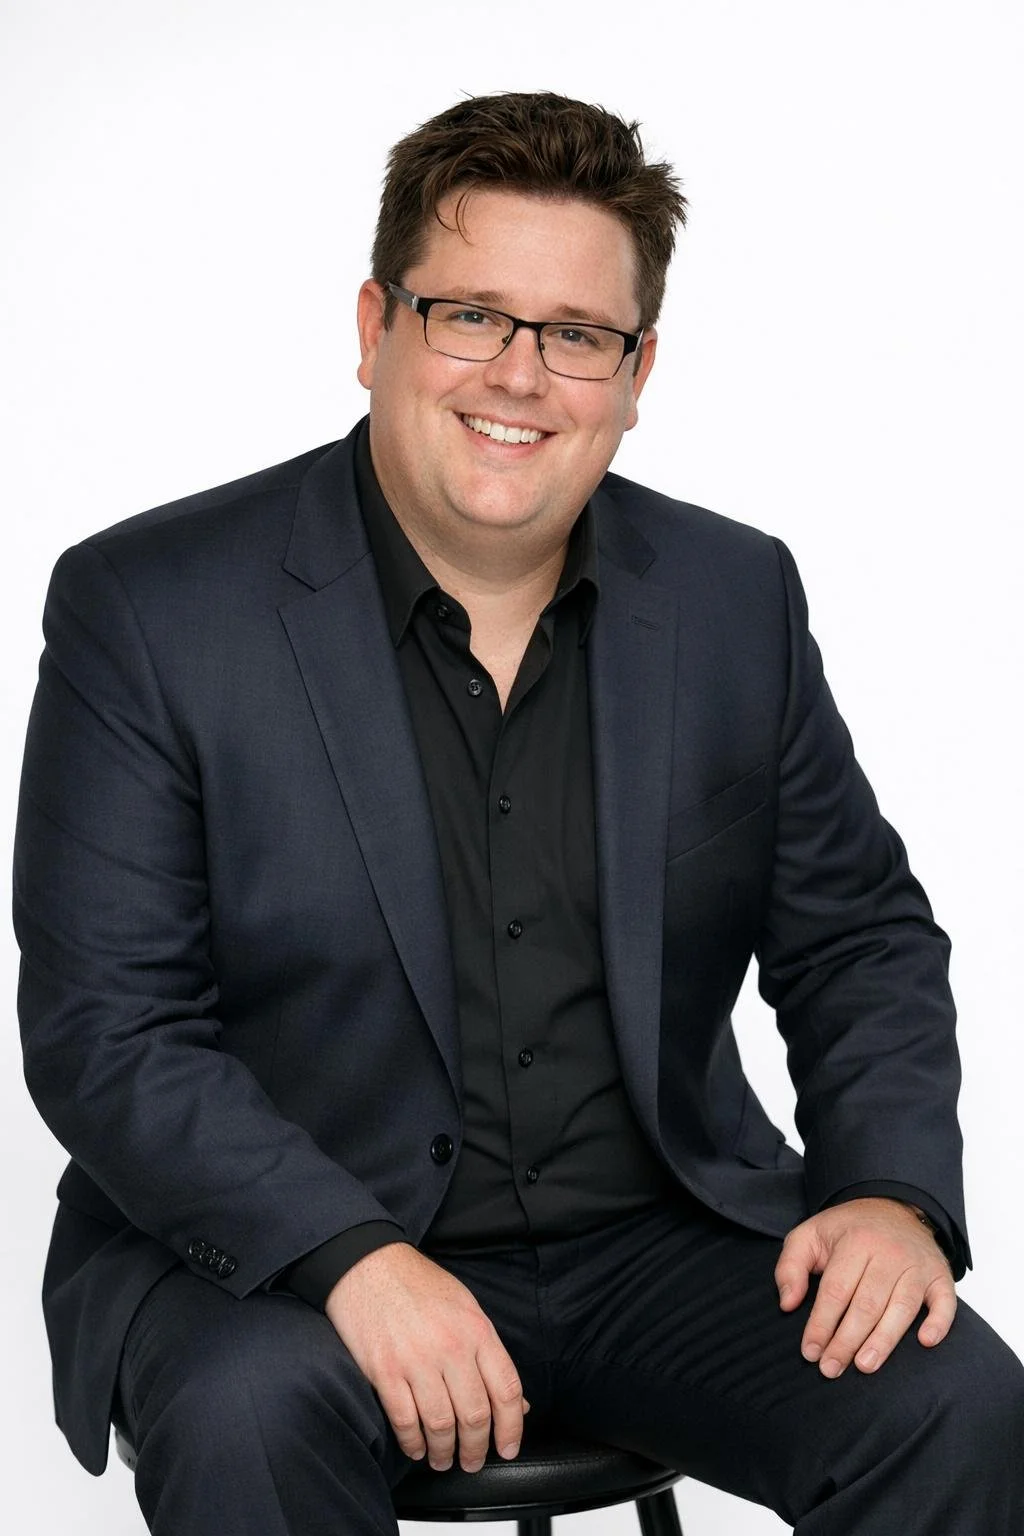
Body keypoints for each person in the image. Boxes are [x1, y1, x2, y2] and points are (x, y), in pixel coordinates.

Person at [14, 90, 1023, 1534]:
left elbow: (857, 938)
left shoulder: (734, 596)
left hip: (655, 1243)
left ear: (637, 370)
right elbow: (110, 1029)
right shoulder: (149, 609)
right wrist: (351, 1255)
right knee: (248, 1416)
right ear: (376, 326)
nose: (521, 375)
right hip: (283, 1258)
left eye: (577, 335)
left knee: (954, 1405)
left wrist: (889, 1192)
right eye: (471, 315)